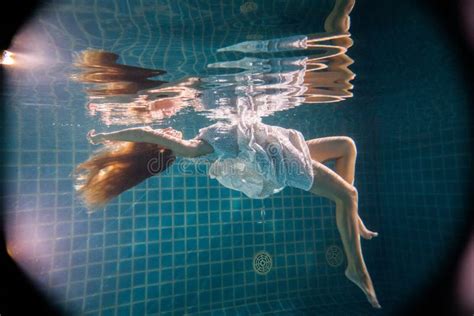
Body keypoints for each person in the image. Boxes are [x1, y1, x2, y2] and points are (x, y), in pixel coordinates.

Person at [74, 114, 380, 309]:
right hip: (279, 160)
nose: (164, 126)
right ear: (161, 145)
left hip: (279, 145)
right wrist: (106, 137)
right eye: (160, 133)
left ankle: (350, 215)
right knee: (348, 194)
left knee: (345, 146)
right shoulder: (191, 147)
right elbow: (145, 132)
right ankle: (356, 268)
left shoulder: (203, 134)